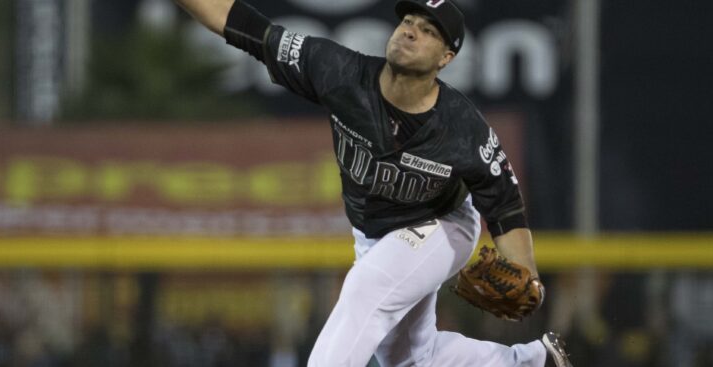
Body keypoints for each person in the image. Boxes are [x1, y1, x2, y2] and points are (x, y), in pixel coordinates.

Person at [173, 0, 572, 366]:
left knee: (365, 289)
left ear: (446, 58)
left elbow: (506, 209)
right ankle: (534, 362)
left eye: (429, 31)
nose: (411, 31)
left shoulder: (464, 129)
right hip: (373, 236)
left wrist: (529, 276)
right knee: (411, 359)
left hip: (442, 226)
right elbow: (242, 25)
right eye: (408, 21)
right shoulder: (338, 71)